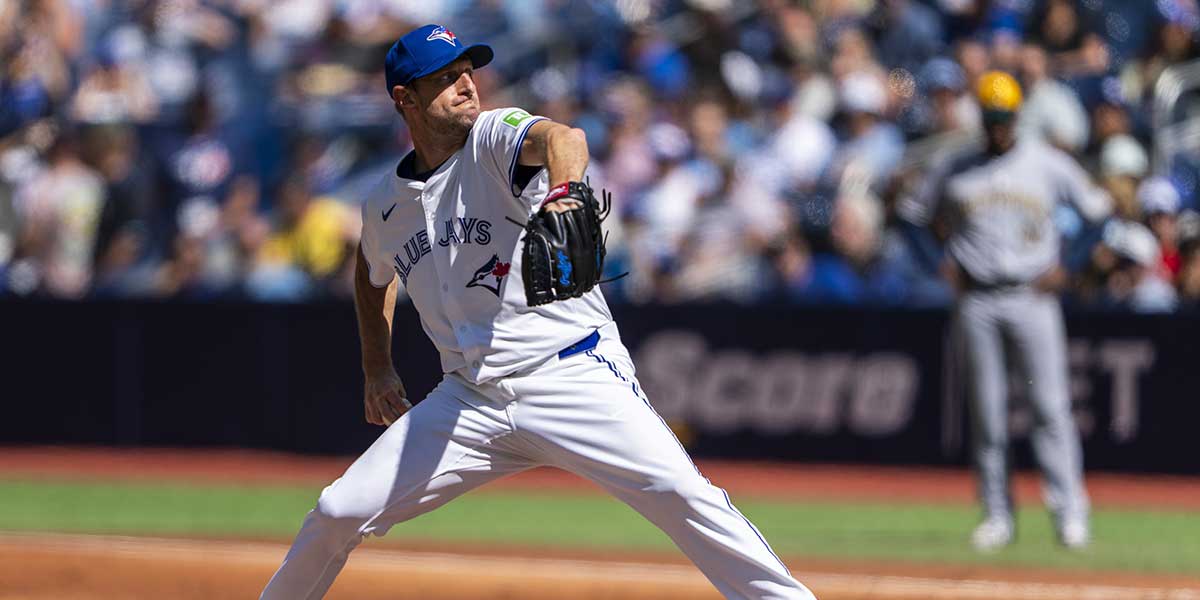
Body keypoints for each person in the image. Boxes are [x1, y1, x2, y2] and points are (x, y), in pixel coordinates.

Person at [259, 24, 816, 600]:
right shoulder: (384, 205)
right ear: (406, 99)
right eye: (446, 80)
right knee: (336, 510)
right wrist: (377, 365)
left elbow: (564, 138)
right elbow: (370, 275)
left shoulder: (493, 137)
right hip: (469, 401)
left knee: (680, 492)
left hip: (569, 372)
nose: (466, 87)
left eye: (468, 73)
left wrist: (565, 190)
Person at [912, 71, 1107, 552]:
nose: (998, 126)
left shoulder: (1046, 162)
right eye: (992, 118)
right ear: (981, 117)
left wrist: (1072, 265)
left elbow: (1097, 214)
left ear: (1017, 117)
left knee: (1050, 408)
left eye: (1005, 118)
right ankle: (997, 514)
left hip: (1032, 294)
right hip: (976, 296)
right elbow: (913, 217)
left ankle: (1069, 513)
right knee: (988, 412)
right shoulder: (955, 166)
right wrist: (938, 262)